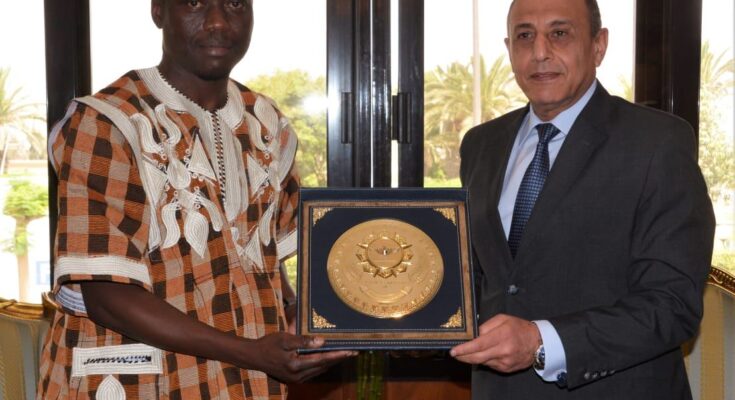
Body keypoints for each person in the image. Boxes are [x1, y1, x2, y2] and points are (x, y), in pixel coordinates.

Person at [37, 0, 354, 398]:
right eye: (195, 3)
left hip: (243, 384)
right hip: (138, 381)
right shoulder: (107, 123)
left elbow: (265, 256)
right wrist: (251, 352)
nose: (218, 22)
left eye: (234, 4)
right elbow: (106, 295)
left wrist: (298, 316)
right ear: (158, 11)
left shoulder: (267, 124)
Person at [450, 0, 715, 398]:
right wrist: (376, 319)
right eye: (525, 36)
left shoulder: (657, 143)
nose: (540, 52)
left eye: (559, 34)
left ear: (598, 45)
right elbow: (471, 281)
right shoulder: (481, 144)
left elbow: (672, 304)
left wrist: (541, 342)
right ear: (509, 49)